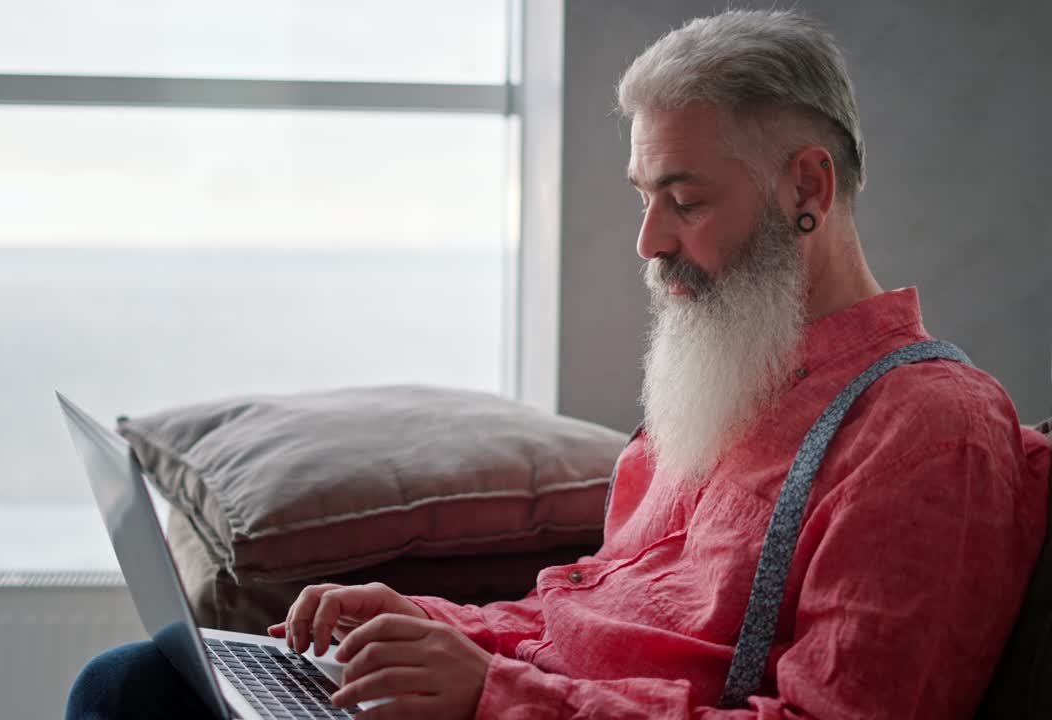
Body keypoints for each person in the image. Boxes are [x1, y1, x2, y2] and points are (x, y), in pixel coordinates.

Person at [67, 9, 1051, 719]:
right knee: (144, 678)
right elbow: (586, 607)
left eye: (683, 198)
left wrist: (489, 696)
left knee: (132, 697)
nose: (646, 240)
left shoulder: (924, 429)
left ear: (804, 185)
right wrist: (425, 624)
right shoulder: (723, 379)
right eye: (642, 195)